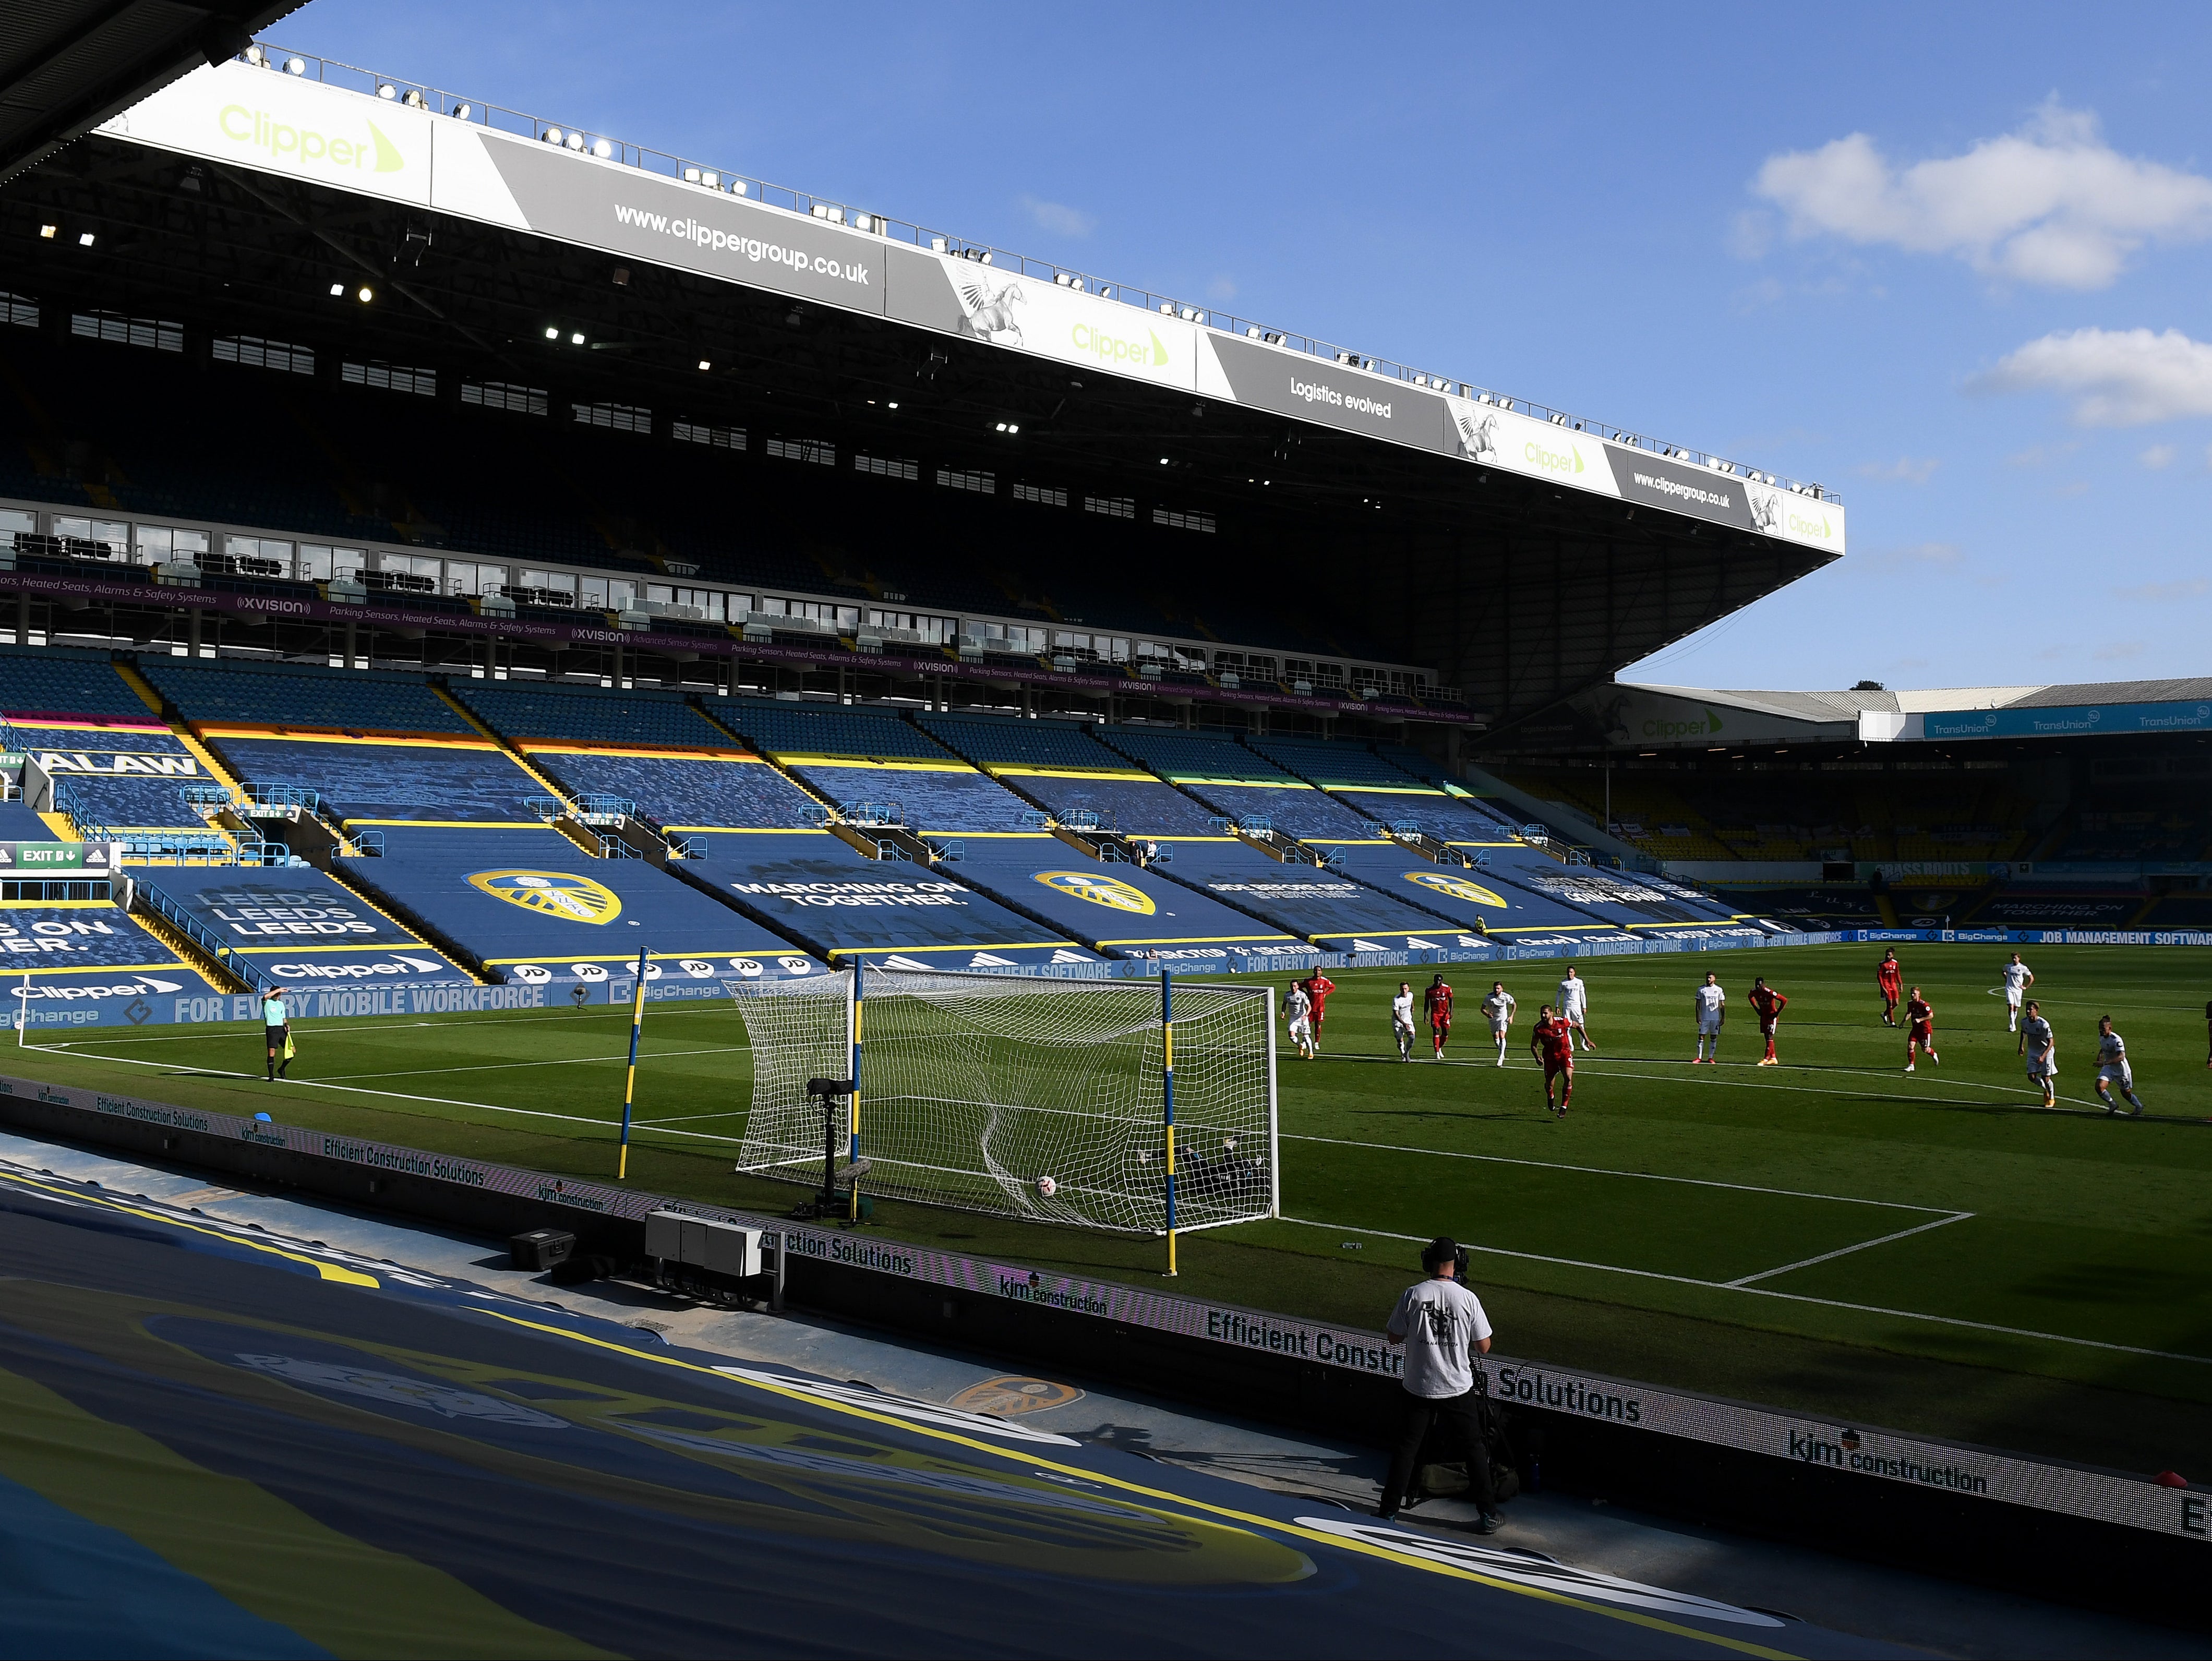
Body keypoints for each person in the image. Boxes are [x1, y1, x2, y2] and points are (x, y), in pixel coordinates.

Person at [1377, 1236, 1500, 1534]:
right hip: (1457, 1388)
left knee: (1407, 1449)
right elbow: (1484, 1346)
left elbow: (1393, 1337)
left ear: (1429, 1262)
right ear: (1456, 1264)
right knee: (1473, 1449)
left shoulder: (1413, 1294)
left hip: (1419, 1386)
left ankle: (1388, 1511)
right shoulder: (1467, 1299)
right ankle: (1488, 1514)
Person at [2093, 1016, 2146, 1117]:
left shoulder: (2116, 1040)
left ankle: (2139, 1106)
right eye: (2100, 1028)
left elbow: (2121, 1056)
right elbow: (2104, 1047)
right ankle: (2113, 1104)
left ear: (2110, 1028)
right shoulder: (2101, 1036)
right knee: (2099, 1087)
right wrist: (2100, 1056)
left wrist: (2104, 1063)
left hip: (2121, 1070)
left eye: (2103, 1029)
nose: (2101, 1031)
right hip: (2109, 1068)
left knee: (2126, 1094)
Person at [1531, 1004, 1573, 1116]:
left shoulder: (1561, 1022)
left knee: (1568, 1078)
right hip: (1550, 1057)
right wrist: (1537, 1057)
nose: (1543, 1015)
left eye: (1545, 1013)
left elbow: (1577, 1026)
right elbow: (1534, 1045)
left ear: (1551, 1013)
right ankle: (1551, 1096)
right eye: (1542, 1013)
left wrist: (1587, 1040)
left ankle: (1564, 1106)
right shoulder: (1539, 1028)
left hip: (1564, 1054)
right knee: (1549, 1085)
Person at [2018, 998, 2056, 1109]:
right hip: (2033, 1051)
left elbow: (2051, 1042)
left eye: (2031, 1010)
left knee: (2046, 1078)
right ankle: (2046, 1090)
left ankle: (2052, 1098)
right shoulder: (2024, 1022)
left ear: (2036, 1011)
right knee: (2031, 1076)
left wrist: (2043, 1056)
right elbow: (2023, 1031)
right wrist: (2021, 1045)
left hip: (2046, 1052)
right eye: (2027, 1009)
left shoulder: (2043, 1025)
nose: (2028, 1012)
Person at [1749, 976, 1787, 1067]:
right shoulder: (1754, 992)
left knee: (1770, 1036)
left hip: (1771, 1017)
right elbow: (1750, 997)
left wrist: (1777, 1013)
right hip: (1764, 1016)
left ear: (1763, 985)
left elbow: (1784, 1000)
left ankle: (1765, 1059)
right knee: (1767, 1037)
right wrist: (1756, 1009)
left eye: (1760, 985)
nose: (1758, 987)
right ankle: (1773, 1058)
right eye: (1756, 985)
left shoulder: (1769, 992)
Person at [1556, 966, 1595, 1052]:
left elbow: (1583, 995)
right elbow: (1558, 994)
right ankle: (1570, 1046)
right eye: (1568, 972)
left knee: (1581, 1026)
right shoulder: (1563, 983)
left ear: (1574, 973)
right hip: (1567, 1007)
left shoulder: (1579, 982)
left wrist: (1584, 1007)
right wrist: (1557, 1006)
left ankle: (1583, 1045)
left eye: (1571, 972)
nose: (1570, 974)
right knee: (1567, 1027)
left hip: (1577, 1007)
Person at [1480, 982, 1517, 1067]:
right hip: (1493, 1019)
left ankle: (1501, 1057)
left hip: (1503, 1018)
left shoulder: (1506, 996)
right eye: (1495, 988)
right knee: (1495, 1037)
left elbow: (1514, 1004)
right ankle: (1501, 1051)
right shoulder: (1489, 997)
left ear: (1502, 989)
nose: (1497, 990)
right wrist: (1487, 1014)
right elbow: (1482, 1009)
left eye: (1498, 988)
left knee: (1501, 1035)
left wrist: (1511, 1016)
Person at [1691, 971, 1726, 1064]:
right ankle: (1699, 1057)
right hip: (1704, 1018)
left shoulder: (1719, 990)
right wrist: (1697, 1016)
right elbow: (1698, 1005)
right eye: (1707, 978)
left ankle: (1711, 1058)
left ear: (1714, 979)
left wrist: (1723, 1018)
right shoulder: (1701, 989)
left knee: (1713, 1037)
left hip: (1715, 1018)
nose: (1708, 979)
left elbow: (1722, 1005)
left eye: (1710, 978)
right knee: (1701, 1036)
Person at [1903, 986, 1938, 1073]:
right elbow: (1909, 1013)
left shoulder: (1924, 1005)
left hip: (1925, 1030)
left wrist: (1920, 1020)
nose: (1912, 995)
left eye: (1914, 993)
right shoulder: (1910, 1004)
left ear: (1919, 994)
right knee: (1910, 1046)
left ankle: (1934, 1054)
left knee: (1925, 1049)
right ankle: (1911, 1065)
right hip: (1915, 1029)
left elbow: (1931, 1015)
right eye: (1911, 993)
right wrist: (1903, 1022)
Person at [1302, 970, 1337, 1052]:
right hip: (1310, 1007)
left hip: (1320, 1008)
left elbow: (1333, 987)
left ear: (1322, 972)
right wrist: (1305, 994)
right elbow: (1299, 986)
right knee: (1307, 1024)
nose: (1317, 972)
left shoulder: (1324, 980)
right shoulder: (1308, 981)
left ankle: (1317, 1042)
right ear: (1314, 971)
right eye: (1316, 970)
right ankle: (1304, 1041)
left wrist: (1326, 994)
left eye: (1319, 971)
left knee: (1318, 1024)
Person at [261, 988, 292, 1081]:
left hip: (281, 1030)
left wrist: (286, 1025)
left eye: (279, 994)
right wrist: (279, 990)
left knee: (291, 1052)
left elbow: (283, 1017)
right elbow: (265, 996)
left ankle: (281, 1069)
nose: (278, 996)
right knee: (272, 1052)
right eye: (277, 994)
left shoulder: (281, 1004)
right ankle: (271, 1076)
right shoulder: (267, 1002)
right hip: (272, 1029)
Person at [2001, 953, 2035, 1033]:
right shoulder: (2008, 966)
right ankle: (2012, 1025)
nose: (2014, 960)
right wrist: (2006, 979)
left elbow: (2031, 978)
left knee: (2016, 1007)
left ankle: (2012, 1022)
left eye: (2015, 958)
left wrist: (2026, 987)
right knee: (2010, 1006)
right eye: (2013, 958)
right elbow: (2003, 971)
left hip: (2018, 991)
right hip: (2009, 989)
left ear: (2019, 959)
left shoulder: (2023, 968)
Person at [1424, 973, 1453, 1061]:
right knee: (1436, 1030)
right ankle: (1437, 1052)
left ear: (1442, 981)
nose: (1437, 982)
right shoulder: (1429, 990)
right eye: (1436, 980)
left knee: (1446, 1033)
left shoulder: (1447, 988)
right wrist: (1425, 1015)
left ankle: (1439, 1047)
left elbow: (1451, 1000)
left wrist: (1451, 1012)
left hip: (1445, 1014)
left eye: (1439, 981)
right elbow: (1426, 1003)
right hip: (1435, 1014)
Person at [1282, 982, 1315, 1061]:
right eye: (1292, 986)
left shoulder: (1302, 995)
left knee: (1306, 1036)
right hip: (1293, 1018)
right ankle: (1300, 1046)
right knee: (1291, 1035)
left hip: (1303, 1018)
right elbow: (1284, 1004)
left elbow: (1309, 1007)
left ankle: (1311, 1052)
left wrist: (1306, 1015)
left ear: (1298, 986)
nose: (1293, 988)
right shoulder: (1287, 995)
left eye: (1295, 986)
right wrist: (1283, 1012)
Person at [1390, 981, 1416, 1063]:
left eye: (1405, 989)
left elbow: (1411, 1000)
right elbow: (1396, 1014)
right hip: (1397, 1022)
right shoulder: (1396, 1000)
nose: (1404, 991)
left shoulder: (1410, 995)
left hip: (1408, 1020)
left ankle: (1407, 1053)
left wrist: (1413, 1007)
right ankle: (1403, 1052)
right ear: (1400, 989)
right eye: (1402, 989)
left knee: (1412, 1037)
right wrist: (1404, 1024)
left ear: (1408, 989)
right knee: (1400, 1042)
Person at [1877, 948, 1903, 1027]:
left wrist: (1901, 984)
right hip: (1886, 985)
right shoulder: (1882, 964)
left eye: (1889, 955)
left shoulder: (1895, 963)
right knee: (1890, 1004)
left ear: (1893, 955)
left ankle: (1885, 1014)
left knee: (1896, 1003)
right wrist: (1883, 987)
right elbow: (1879, 977)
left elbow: (1897, 973)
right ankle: (1892, 1022)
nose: (1888, 956)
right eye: (1887, 955)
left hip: (1893, 985)